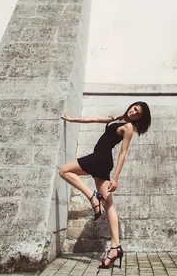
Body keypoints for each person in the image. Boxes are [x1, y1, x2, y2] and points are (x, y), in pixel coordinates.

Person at [59, 101, 151, 270]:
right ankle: (115, 248)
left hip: (100, 159)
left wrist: (115, 178)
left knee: (64, 171)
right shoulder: (117, 118)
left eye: (137, 113)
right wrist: (72, 119)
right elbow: (94, 119)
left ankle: (92, 197)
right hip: (100, 160)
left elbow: (123, 153)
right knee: (109, 206)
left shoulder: (129, 127)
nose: (133, 112)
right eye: (133, 108)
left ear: (139, 118)